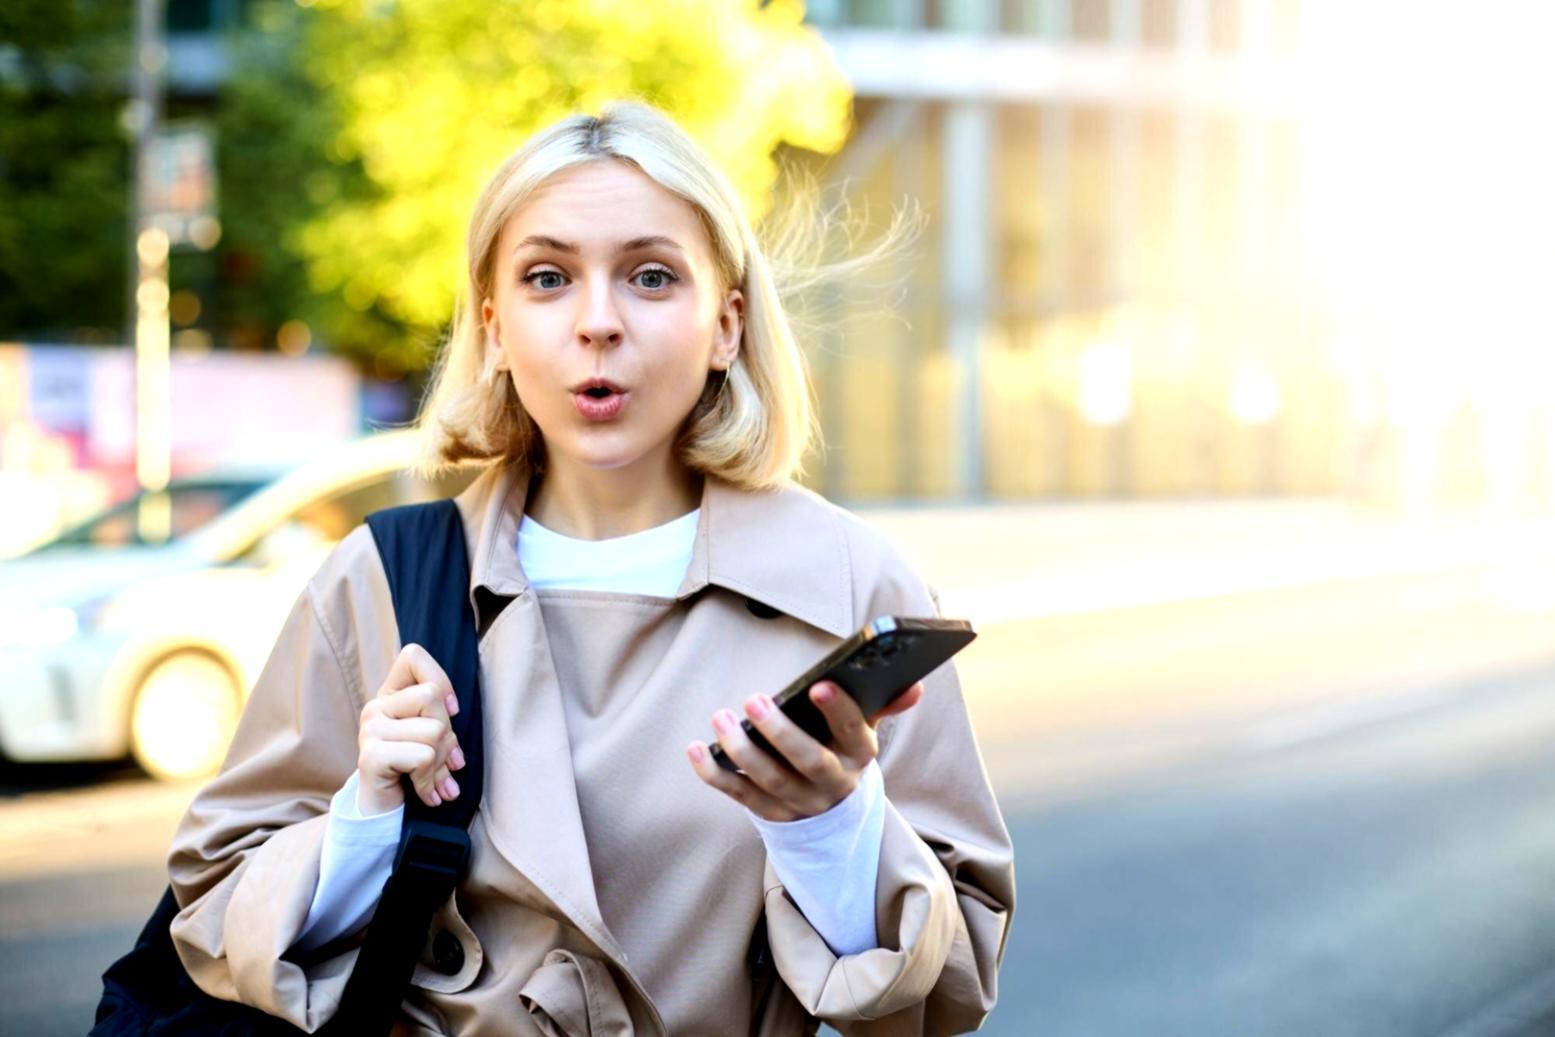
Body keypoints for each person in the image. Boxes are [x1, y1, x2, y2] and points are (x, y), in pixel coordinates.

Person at [166, 100, 1015, 1036]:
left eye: (651, 277)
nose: (598, 322)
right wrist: (367, 818)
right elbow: (215, 914)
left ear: (726, 326)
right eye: (547, 278)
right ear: (492, 328)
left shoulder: (849, 583)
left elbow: (952, 988)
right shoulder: (378, 579)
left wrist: (829, 827)